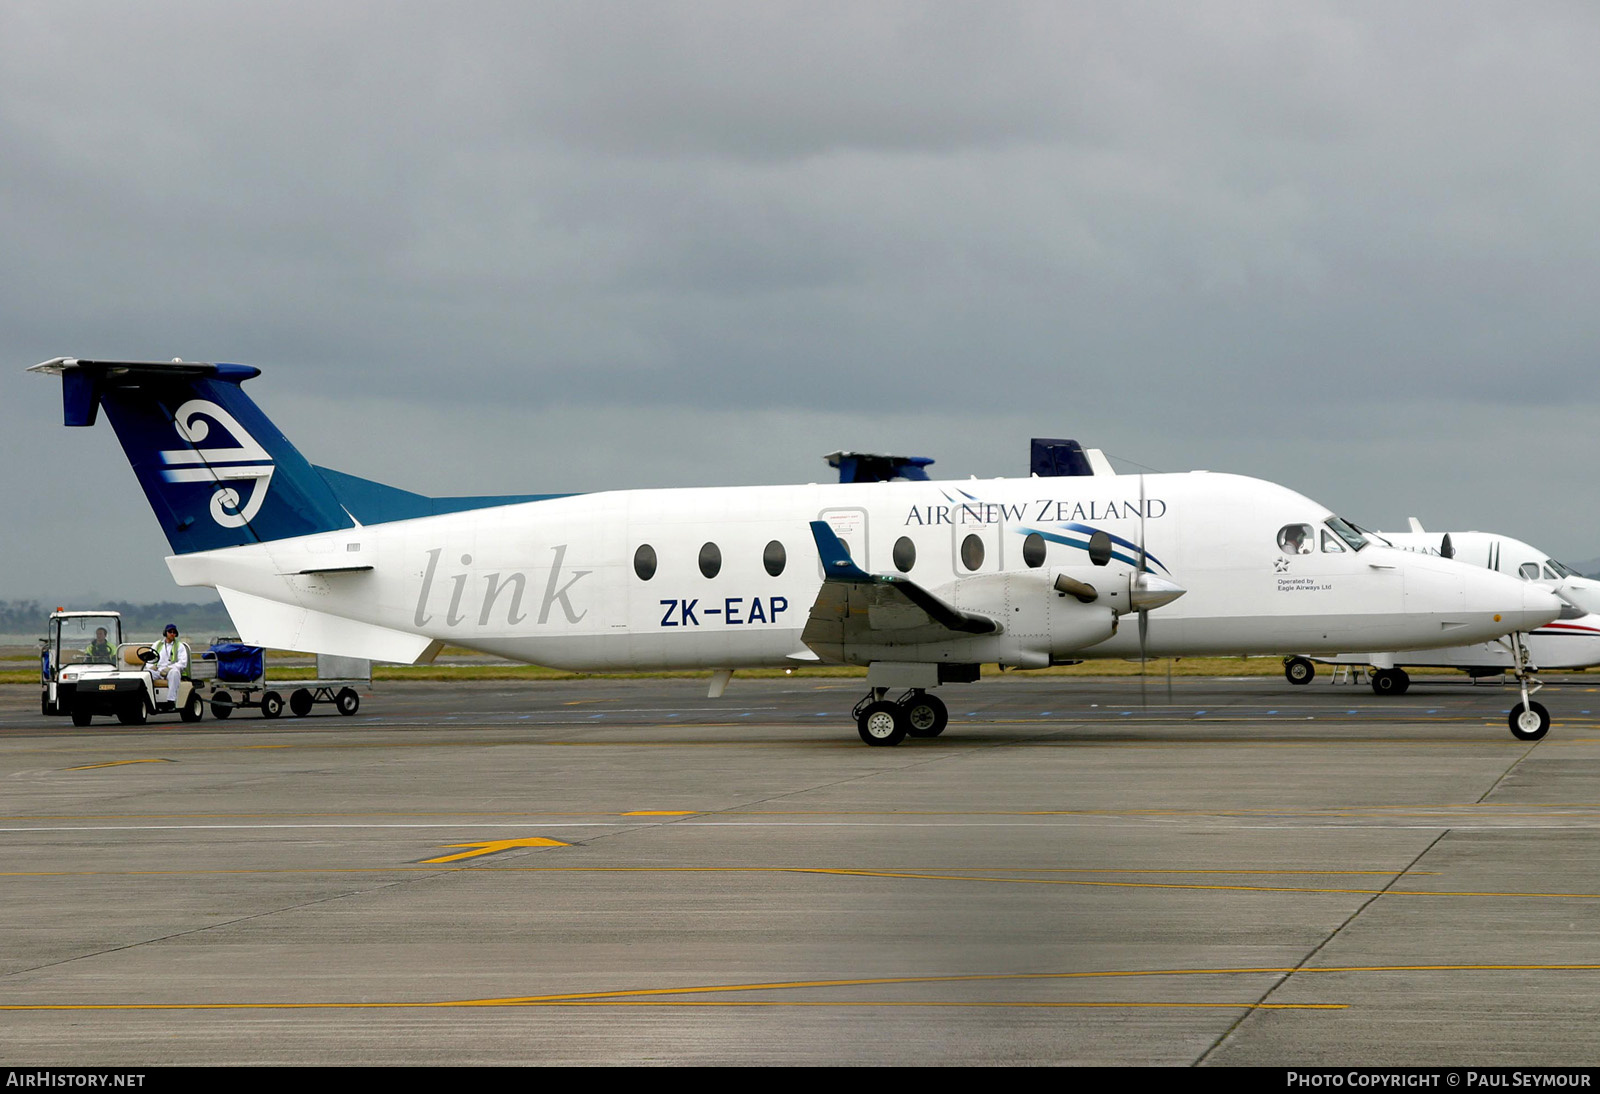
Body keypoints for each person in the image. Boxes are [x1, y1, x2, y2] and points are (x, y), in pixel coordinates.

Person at [152, 624, 189, 711]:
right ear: (165, 633)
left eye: (174, 632)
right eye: (170, 632)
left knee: (174, 673)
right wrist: (152, 667)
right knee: (147, 674)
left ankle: (170, 701)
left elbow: (183, 662)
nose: (172, 634)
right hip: (158, 670)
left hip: (170, 670)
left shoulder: (179, 646)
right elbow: (150, 658)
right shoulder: (157, 645)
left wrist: (170, 668)